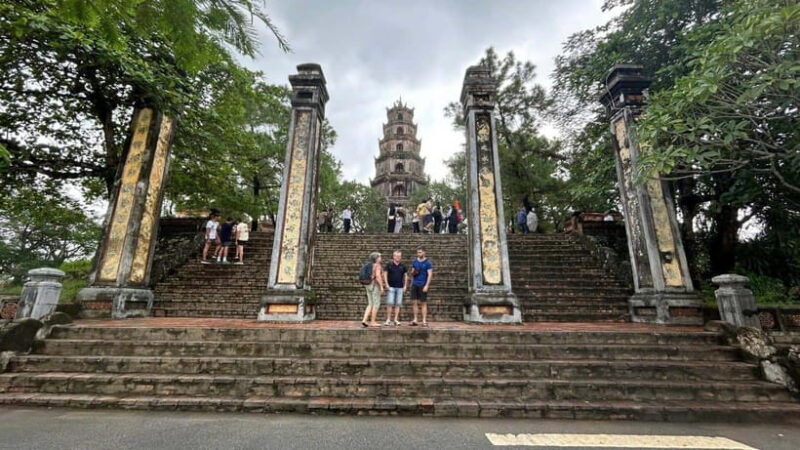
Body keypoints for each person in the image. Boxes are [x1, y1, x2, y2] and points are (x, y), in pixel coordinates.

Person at [410, 246, 433, 327]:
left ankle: (424, 320)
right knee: (414, 302)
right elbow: (412, 273)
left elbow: (430, 275)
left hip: (423, 284)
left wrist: (427, 285)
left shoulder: (428, 263)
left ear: (424, 252)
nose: (418, 254)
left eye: (420, 252)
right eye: (418, 252)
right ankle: (415, 319)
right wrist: (414, 272)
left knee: (423, 303)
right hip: (415, 283)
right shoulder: (415, 261)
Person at [383, 250, 407, 326]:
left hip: (400, 287)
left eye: (399, 256)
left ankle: (396, 319)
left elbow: (406, 276)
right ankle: (388, 319)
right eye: (396, 256)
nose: (398, 257)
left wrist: (405, 285)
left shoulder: (403, 265)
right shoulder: (389, 264)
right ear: (393, 256)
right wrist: (386, 284)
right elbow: (385, 274)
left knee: (398, 304)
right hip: (391, 287)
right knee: (390, 303)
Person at [361, 251, 385, 328]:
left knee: (370, 303)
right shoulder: (377, 266)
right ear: (376, 258)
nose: (381, 258)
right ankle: (373, 321)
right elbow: (378, 276)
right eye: (380, 257)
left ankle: (364, 320)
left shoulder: (369, 265)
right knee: (376, 304)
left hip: (368, 285)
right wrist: (381, 286)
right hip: (374, 285)